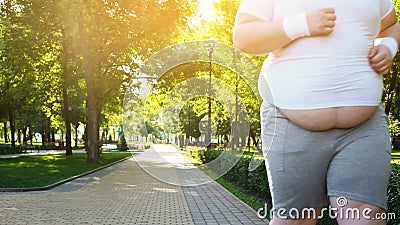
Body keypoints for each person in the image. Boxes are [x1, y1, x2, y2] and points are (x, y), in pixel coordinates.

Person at [233, 0, 400, 225]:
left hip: (364, 127)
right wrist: (300, 25)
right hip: (290, 122)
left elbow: (391, 25)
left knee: (365, 216)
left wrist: (388, 46)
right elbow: (244, 37)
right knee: (297, 219)